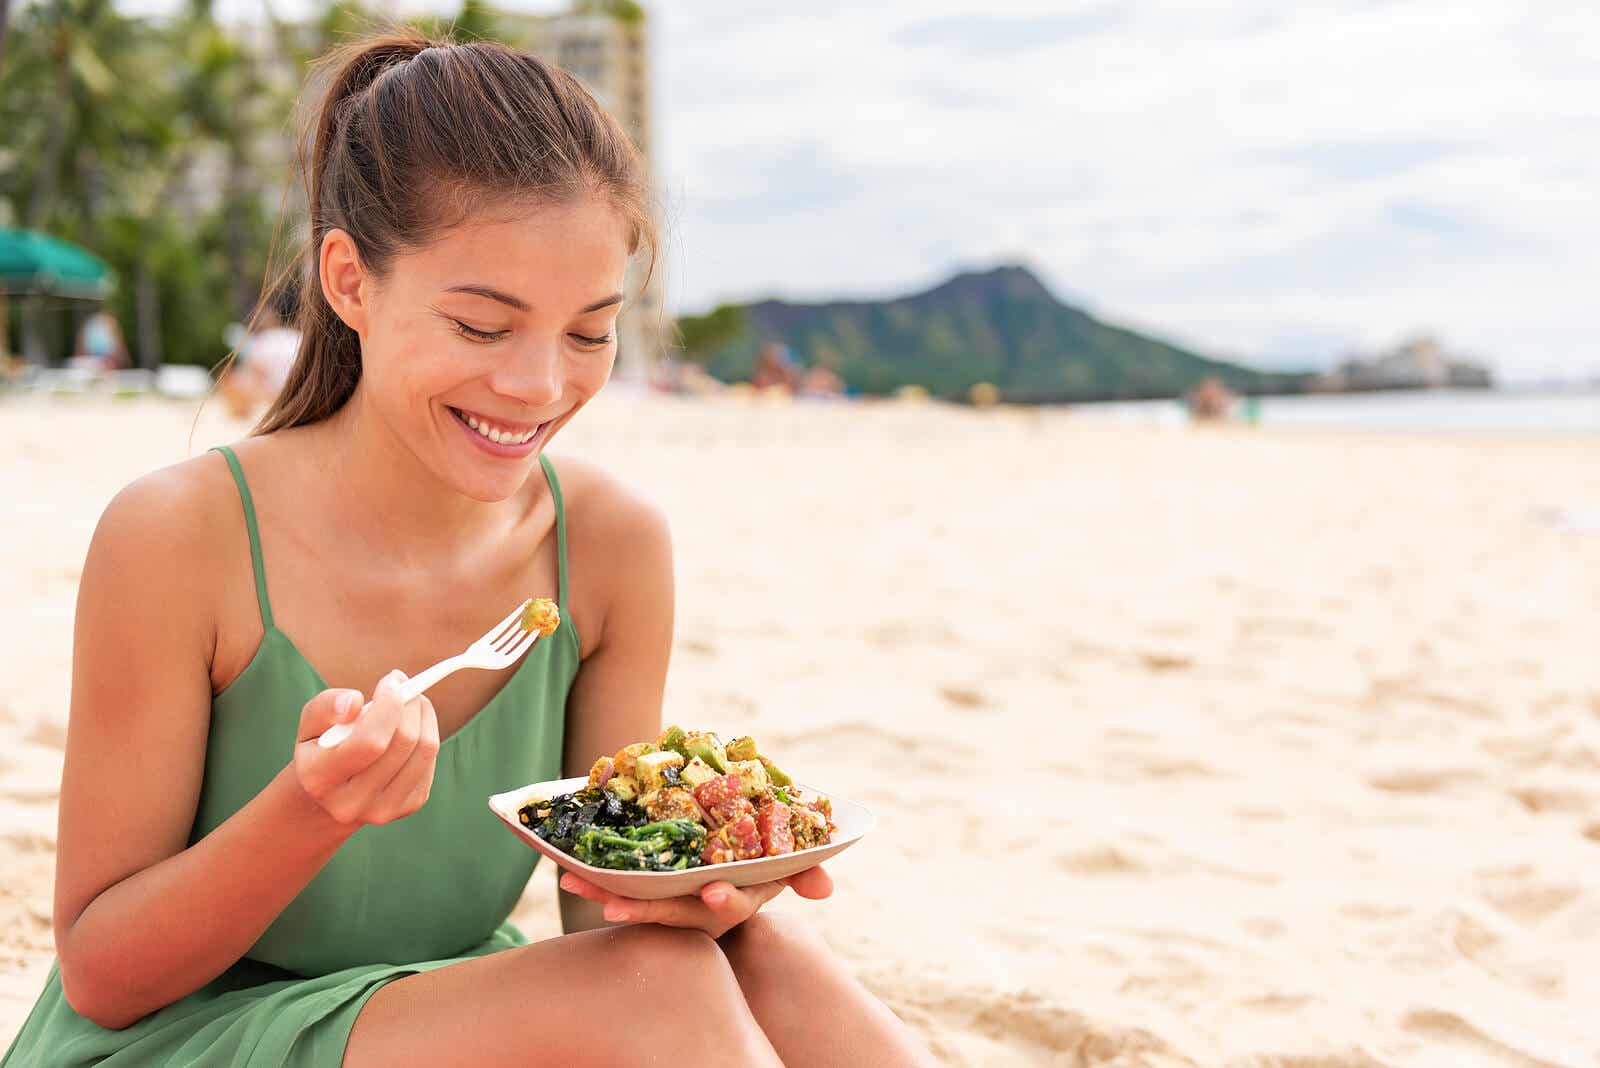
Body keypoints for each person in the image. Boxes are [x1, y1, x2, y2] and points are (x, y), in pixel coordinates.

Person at [0, 32, 936, 1068]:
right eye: (485, 328)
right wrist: (309, 810)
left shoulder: (612, 548)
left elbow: (602, 922)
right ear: (350, 283)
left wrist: (703, 880)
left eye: (588, 333)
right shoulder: (180, 535)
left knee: (761, 957)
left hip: (430, 1012)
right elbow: (103, 972)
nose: (540, 387)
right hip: (179, 1036)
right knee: (663, 993)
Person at [220, 304, 303, 419]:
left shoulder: (262, 342)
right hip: (302, 389)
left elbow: (257, 372)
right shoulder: (295, 335)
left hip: (278, 393)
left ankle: (239, 410)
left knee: (232, 379)